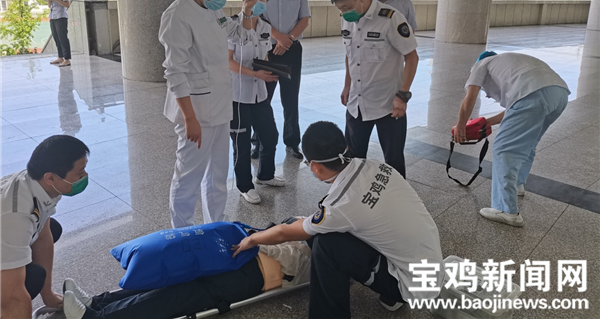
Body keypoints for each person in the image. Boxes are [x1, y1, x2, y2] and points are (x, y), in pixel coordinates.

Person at [233, 121, 444, 318]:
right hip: (430, 266)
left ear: (315, 166)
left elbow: (286, 232)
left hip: (412, 285)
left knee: (325, 244)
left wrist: (252, 239)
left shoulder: (342, 203)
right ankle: (387, 290)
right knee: (330, 228)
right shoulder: (376, 166)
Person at [159, 0, 261, 228]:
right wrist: (189, 118)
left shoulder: (211, 7)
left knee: (217, 174)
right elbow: (174, 72)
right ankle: (182, 232)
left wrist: (247, 10)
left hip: (220, 105)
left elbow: (236, 34)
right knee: (188, 177)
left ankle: (214, 226)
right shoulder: (177, 15)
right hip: (195, 111)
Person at [453, 51, 570, 227]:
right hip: (559, 94)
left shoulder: (481, 63)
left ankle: (506, 210)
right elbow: (515, 109)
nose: (488, 94)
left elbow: (470, 97)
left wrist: (460, 125)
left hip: (533, 96)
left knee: (504, 150)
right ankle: (517, 185)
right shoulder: (511, 66)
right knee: (528, 143)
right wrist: (486, 123)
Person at [62, 241, 311, 319]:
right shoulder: (318, 219)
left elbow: (297, 258)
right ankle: (98, 302)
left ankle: (97, 317)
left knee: (184, 292)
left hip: (260, 273)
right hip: (248, 255)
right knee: (174, 274)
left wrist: (264, 240)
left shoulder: (323, 247)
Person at [332, 0, 419, 178]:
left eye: (347, 7)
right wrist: (347, 86)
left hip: (388, 103)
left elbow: (411, 57)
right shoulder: (347, 19)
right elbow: (350, 55)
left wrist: (403, 96)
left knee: (394, 160)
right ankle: (354, 193)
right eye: (340, 9)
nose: (345, 13)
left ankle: (397, 196)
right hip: (357, 102)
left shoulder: (390, 18)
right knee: (353, 160)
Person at [1, 135, 90, 319]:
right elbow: (13, 298)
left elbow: (43, 236)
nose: (85, 176)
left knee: (53, 228)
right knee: (32, 278)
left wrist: (47, 294)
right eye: (80, 172)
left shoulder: (41, 185)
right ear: (50, 177)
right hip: (7, 231)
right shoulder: (15, 217)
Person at [229, 0, 285, 204]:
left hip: (260, 94)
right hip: (238, 96)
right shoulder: (231, 25)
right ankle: (244, 185)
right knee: (241, 144)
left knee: (270, 135)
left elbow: (264, 56)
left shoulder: (265, 27)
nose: (259, 1)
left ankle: (265, 175)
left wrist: (271, 70)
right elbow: (228, 61)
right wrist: (254, 74)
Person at [252, 0, 311, 160]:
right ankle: (257, 142)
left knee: (290, 97)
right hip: (265, 50)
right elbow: (256, 16)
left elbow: (305, 18)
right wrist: (278, 37)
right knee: (262, 98)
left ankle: (292, 142)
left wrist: (289, 40)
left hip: (291, 50)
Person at [43, 0, 72, 67]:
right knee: (56, 37)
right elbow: (49, 6)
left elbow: (67, 5)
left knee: (63, 37)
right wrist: (49, 0)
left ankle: (67, 59)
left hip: (61, 16)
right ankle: (60, 57)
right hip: (53, 16)